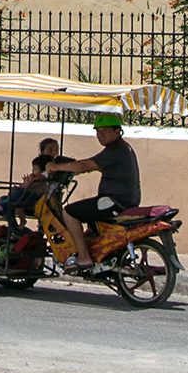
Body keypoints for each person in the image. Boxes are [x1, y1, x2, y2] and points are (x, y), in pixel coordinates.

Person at [54, 115, 141, 269]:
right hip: (123, 199)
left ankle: (84, 257)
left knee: (69, 212)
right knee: (90, 231)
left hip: (115, 201)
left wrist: (55, 167)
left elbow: (84, 165)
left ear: (117, 131)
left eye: (105, 131)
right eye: (98, 131)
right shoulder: (122, 149)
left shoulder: (115, 150)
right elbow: (95, 166)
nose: (100, 135)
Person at [0, 136, 63, 232]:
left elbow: (34, 184)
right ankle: (5, 208)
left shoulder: (49, 172)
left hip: (39, 201)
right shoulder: (45, 170)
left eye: (56, 150)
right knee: (6, 198)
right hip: (31, 198)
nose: (54, 153)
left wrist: (21, 187)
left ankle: (9, 218)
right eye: (50, 150)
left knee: (12, 198)